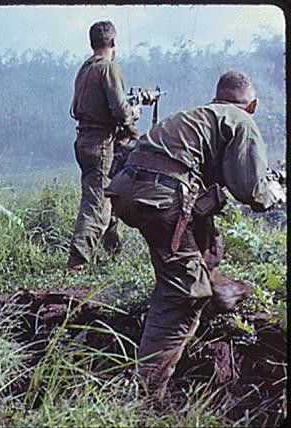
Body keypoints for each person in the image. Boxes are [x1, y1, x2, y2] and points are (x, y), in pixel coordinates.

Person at [105, 70, 286, 400]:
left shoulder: (198, 116)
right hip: (160, 198)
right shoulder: (241, 120)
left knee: (202, 237)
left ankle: (219, 287)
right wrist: (276, 191)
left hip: (128, 190)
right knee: (184, 295)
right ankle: (147, 394)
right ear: (253, 105)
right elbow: (252, 192)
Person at [67, 20, 140, 270]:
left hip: (85, 140)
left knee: (109, 194)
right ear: (113, 43)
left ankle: (113, 254)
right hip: (100, 144)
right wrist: (134, 113)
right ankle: (78, 263)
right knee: (97, 203)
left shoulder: (85, 69)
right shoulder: (109, 68)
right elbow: (120, 111)